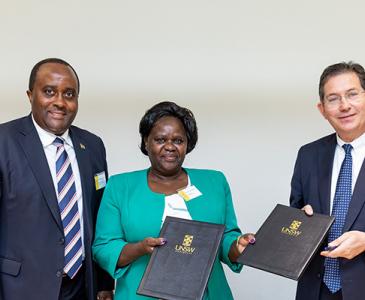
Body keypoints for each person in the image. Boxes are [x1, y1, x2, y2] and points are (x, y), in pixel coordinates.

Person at [92, 101, 253, 300]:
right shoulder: (120, 186)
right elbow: (103, 247)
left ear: (187, 144)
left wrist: (237, 246)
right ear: (146, 142)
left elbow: (226, 237)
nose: (169, 147)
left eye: (178, 140)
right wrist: (140, 248)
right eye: (160, 139)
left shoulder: (214, 182)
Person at [0, 58, 114, 300]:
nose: (60, 102)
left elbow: (99, 218)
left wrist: (104, 283)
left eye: (69, 94)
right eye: (49, 92)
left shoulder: (93, 146)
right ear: (30, 95)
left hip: (82, 287)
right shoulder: (4, 141)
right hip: (19, 288)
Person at [290, 62, 365, 300]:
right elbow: (295, 215)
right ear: (322, 109)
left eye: (352, 94)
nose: (344, 106)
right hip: (315, 290)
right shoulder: (308, 155)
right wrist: (301, 221)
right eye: (333, 99)